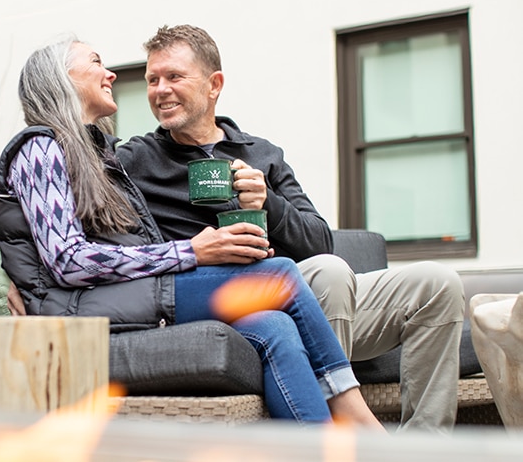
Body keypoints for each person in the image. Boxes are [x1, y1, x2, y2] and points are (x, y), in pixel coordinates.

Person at [0, 35, 384, 428]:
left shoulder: (93, 153)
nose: (110, 72)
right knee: (279, 275)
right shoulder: (40, 146)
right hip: (80, 307)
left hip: (122, 294)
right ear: (62, 79)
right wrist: (191, 251)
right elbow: (67, 259)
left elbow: (17, 213)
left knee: (275, 325)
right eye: (95, 61)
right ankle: (353, 413)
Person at [116, 24, 465, 432]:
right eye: (152, 80)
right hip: (235, 302)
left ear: (214, 85)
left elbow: (320, 241)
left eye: (174, 77)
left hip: (308, 293)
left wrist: (269, 203)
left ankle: (424, 447)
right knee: (330, 275)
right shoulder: (136, 160)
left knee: (438, 283)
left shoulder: (261, 153)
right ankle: (345, 431)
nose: (160, 90)